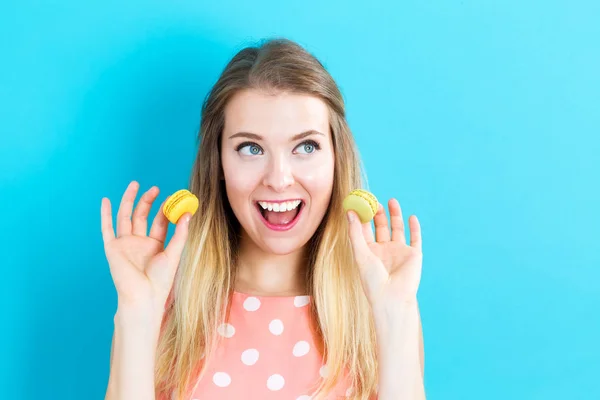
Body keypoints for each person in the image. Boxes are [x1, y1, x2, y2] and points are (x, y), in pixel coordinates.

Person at [101, 38, 425, 400]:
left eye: (306, 147)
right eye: (251, 149)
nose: (278, 178)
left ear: (336, 159)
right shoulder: (161, 301)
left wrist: (396, 315)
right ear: (219, 163)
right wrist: (136, 313)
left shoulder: (380, 301)